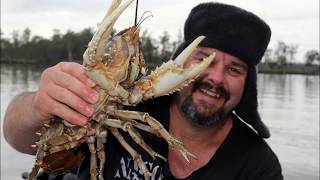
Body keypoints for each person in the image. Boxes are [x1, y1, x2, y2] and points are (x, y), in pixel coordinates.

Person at [3, 2, 283, 180]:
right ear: (181, 64)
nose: (216, 78)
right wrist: (37, 106)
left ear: (248, 83)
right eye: (203, 59)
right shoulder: (130, 110)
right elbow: (16, 137)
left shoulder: (259, 167)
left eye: (234, 69)